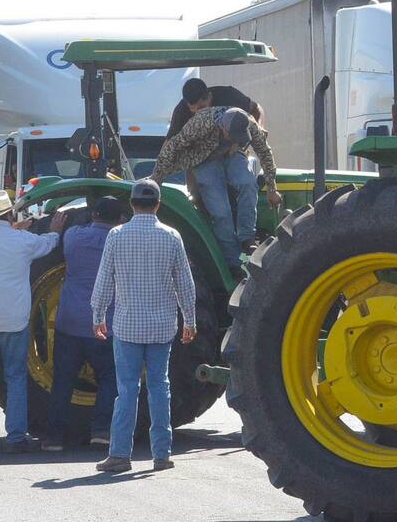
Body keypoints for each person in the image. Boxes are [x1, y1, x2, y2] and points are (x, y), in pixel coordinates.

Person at [91, 179, 196, 473]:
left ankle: (120, 455)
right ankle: (161, 454)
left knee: (126, 390)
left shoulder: (116, 235)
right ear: (158, 204)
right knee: (160, 387)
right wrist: (190, 320)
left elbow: (104, 279)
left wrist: (98, 315)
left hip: (126, 326)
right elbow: (185, 284)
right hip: (163, 326)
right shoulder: (172, 236)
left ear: (132, 204)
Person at [0, 190, 66, 455]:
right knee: (16, 377)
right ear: (10, 214)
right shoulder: (22, 240)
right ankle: (16, 437)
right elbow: (48, 244)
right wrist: (55, 229)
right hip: (13, 319)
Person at [152, 107, 282, 275]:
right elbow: (172, 147)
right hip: (204, 159)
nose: (237, 138)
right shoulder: (199, 124)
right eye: (234, 135)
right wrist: (157, 178)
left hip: (233, 154)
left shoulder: (249, 124)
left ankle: (247, 237)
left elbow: (264, 151)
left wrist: (272, 188)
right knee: (221, 212)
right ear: (223, 128)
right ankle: (233, 262)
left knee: (248, 182)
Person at [42, 197, 122, 452]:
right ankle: (100, 430)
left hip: (70, 321)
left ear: (94, 214)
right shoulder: (121, 241)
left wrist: (55, 228)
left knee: (63, 379)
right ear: (121, 219)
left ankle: (53, 437)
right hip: (104, 323)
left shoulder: (74, 236)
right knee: (110, 377)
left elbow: (71, 228)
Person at [166, 78, 264, 139]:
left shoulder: (230, 97)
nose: (198, 112)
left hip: (232, 151)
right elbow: (169, 144)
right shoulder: (181, 110)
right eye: (193, 109)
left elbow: (256, 109)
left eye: (202, 107)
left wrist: (258, 131)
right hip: (203, 155)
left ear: (210, 96)